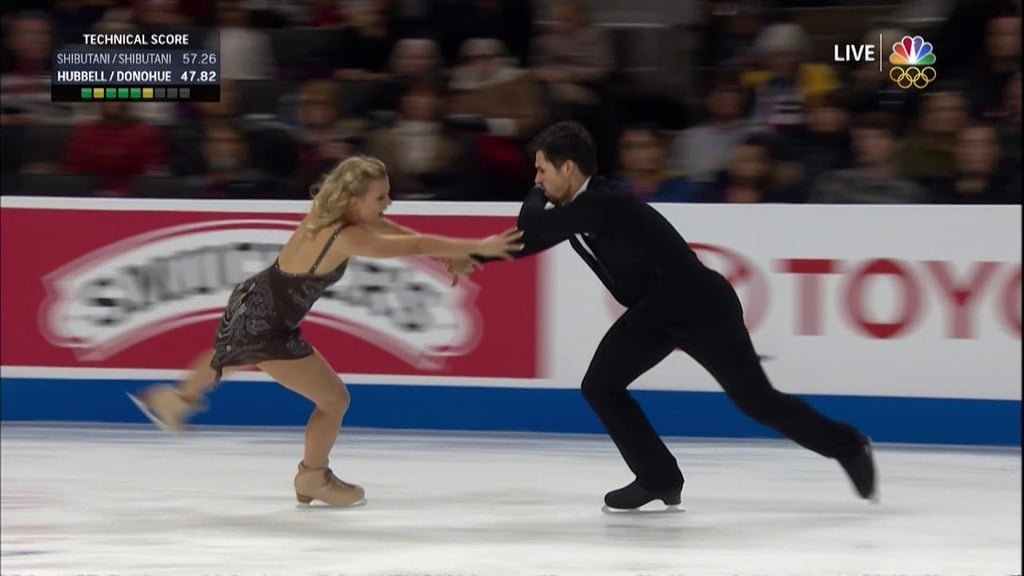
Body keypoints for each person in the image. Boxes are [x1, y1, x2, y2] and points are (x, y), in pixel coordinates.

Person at [471, 121, 877, 511]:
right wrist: (470, 258)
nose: (537, 179)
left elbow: (532, 229)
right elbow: (528, 239)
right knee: (600, 386)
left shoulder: (602, 202)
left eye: (541, 170)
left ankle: (848, 445)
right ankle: (659, 477)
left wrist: (480, 246)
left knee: (757, 401)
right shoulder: (577, 205)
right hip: (655, 308)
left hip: (699, 303)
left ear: (569, 168)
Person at [128, 155, 523, 508]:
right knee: (333, 399)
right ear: (354, 201)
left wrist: (443, 254)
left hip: (255, 301)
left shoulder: (329, 212)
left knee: (230, 358)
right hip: (266, 322)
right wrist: (476, 245)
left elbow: (389, 228)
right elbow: (411, 241)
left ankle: (177, 400)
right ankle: (312, 476)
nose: (387, 204)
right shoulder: (347, 236)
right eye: (380, 197)